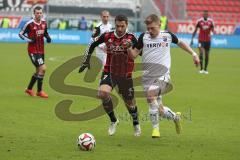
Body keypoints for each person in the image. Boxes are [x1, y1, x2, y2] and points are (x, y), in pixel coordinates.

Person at [127, 14, 200, 138]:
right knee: (158, 109)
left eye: (152, 28)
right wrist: (128, 48)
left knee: (151, 95)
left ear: (159, 24)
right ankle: (175, 117)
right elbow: (133, 55)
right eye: (148, 28)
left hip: (163, 75)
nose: (150, 31)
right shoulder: (143, 37)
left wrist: (193, 54)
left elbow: (181, 43)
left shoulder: (167, 35)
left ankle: (156, 130)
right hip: (147, 77)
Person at [79, 14, 141, 137]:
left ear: (127, 25)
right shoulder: (108, 35)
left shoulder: (132, 38)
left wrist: (130, 48)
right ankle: (113, 120)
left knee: (129, 103)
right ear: (115, 24)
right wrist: (86, 60)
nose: (119, 29)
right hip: (109, 71)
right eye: (117, 26)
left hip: (125, 74)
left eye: (122, 26)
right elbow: (92, 44)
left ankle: (136, 122)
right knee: (102, 93)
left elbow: (139, 53)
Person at [19, 6, 51, 98]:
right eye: (37, 13)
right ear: (34, 13)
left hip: (41, 50)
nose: (39, 14)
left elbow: (45, 32)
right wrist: (29, 40)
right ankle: (39, 91)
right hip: (33, 51)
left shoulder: (44, 22)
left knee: (38, 70)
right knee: (43, 68)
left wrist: (48, 37)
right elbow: (20, 34)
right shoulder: (29, 24)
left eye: (40, 13)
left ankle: (29, 89)